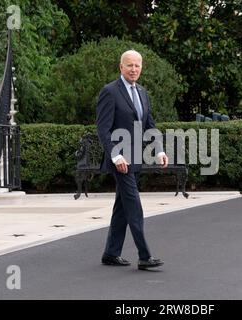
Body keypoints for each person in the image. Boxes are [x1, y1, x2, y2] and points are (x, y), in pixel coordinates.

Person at [96, 50, 168, 270]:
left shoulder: (142, 92)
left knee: (122, 207)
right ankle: (145, 256)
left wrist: (159, 150)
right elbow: (103, 129)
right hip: (120, 161)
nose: (134, 69)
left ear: (141, 67)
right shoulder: (110, 91)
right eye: (129, 65)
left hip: (135, 159)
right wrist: (115, 155)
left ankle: (110, 253)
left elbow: (150, 125)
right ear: (121, 67)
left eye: (137, 65)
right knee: (134, 206)